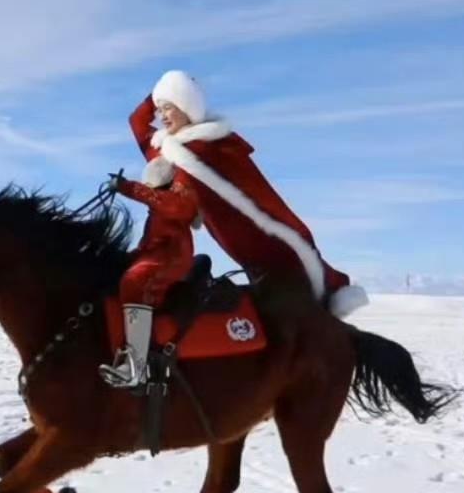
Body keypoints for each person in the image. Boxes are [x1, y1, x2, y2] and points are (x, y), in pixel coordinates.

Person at [128, 70, 368, 318]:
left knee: (289, 281)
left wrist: (131, 189)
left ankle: (325, 309)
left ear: (187, 108)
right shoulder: (168, 148)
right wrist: (160, 91)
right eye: (159, 109)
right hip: (228, 237)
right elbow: (137, 121)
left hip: (251, 233)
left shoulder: (209, 148)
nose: (161, 116)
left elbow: (253, 194)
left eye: (168, 108)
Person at [98, 158, 198, 388]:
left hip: (172, 259)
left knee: (134, 282)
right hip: (156, 255)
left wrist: (127, 187)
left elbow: (167, 204)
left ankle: (137, 367)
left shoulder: (179, 201)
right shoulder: (159, 206)